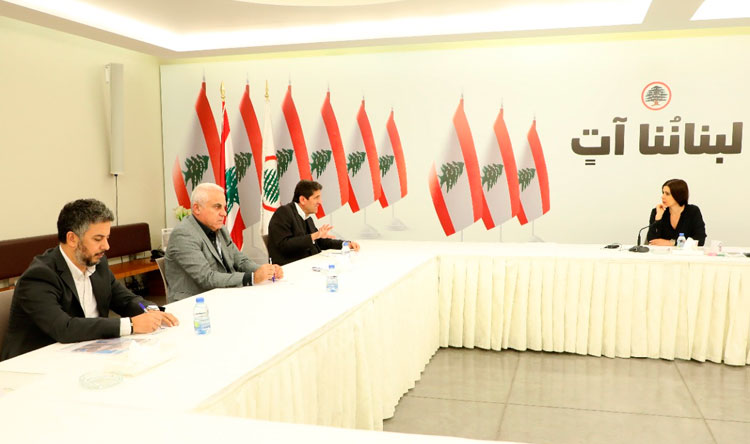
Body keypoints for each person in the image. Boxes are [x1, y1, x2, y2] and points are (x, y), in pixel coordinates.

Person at [1, 199, 178, 361]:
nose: (106, 246)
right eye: (98, 239)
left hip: (86, 353)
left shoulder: (97, 263)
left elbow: (125, 300)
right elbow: (64, 328)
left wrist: (151, 310)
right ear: (72, 239)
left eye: (107, 238)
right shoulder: (39, 276)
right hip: (35, 364)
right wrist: (130, 325)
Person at [165, 183, 282, 302]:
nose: (224, 213)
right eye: (217, 207)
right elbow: (207, 278)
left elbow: (240, 260)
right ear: (197, 208)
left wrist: (266, 270)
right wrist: (251, 278)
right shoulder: (183, 234)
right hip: (194, 303)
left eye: (224, 207)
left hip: (222, 295)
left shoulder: (220, 229)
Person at [267, 180, 360, 266]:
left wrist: (346, 244)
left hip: (309, 264)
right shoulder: (283, 212)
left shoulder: (307, 217)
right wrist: (314, 236)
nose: (320, 202)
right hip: (292, 268)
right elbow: (284, 245)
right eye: (316, 198)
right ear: (303, 200)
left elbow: (320, 242)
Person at [647, 178, 706, 246]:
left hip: (686, 253)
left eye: (667, 194)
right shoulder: (657, 211)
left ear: (678, 195)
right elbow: (651, 240)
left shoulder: (693, 211)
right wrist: (658, 219)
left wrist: (672, 243)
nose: (662, 197)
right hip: (662, 252)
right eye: (663, 193)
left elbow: (700, 240)